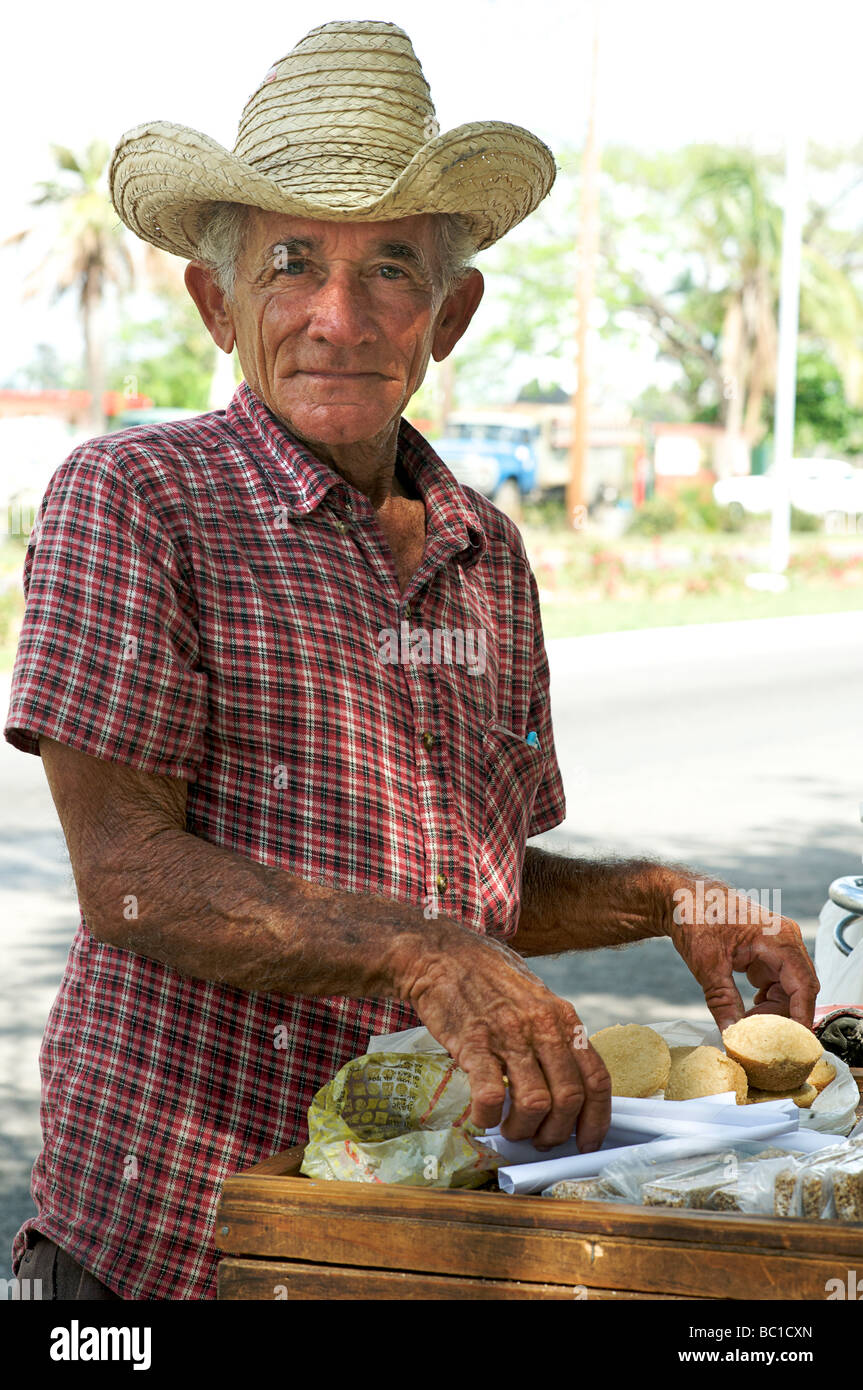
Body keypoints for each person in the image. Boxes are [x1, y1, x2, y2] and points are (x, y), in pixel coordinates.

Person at [4, 20, 817, 1301]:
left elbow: (473, 887)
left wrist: (672, 899)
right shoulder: (137, 498)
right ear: (217, 302)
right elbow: (130, 880)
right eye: (289, 263)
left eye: (390, 268)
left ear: (450, 313)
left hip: (399, 1250)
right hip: (172, 1242)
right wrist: (424, 953)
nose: (339, 316)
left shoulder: (483, 549)